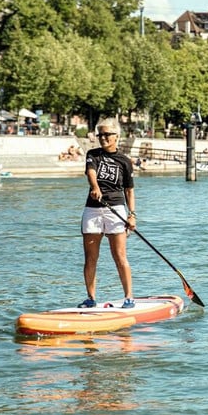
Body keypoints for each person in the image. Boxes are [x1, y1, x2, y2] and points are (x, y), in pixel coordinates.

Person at [79, 118, 137, 308]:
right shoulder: (93, 154)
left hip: (116, 209)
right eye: (100, 134)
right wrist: (95, 187)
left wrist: (132, 215)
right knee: (90, 257)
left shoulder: (125, 161)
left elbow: (129, 190)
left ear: (116, 136)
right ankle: (91, 298)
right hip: (93, 209)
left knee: (119, 256)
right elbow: (91, 172)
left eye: (107, 134)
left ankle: (128, 297)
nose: (103, 138)